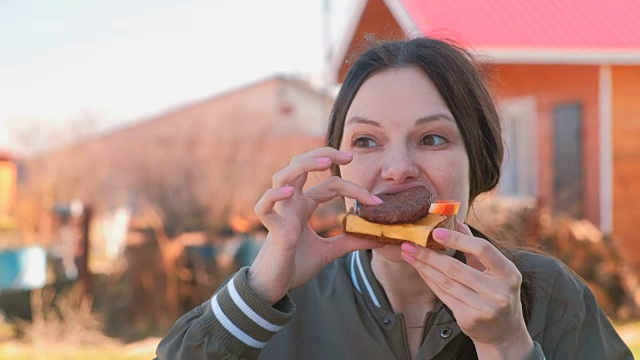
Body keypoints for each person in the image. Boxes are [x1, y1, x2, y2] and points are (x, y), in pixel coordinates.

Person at [155, 36, 633, 359]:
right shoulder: (277, 303)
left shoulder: (551, 297)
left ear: (478, 159)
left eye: (432, 139)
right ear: (335, 163)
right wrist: (260, 286)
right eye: (366, 141)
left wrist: (509, 346)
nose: (398, 168)